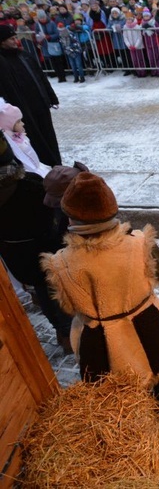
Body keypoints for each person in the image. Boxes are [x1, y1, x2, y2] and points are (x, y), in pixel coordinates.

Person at [40, 172, 159, 419]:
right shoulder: (138, 242)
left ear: (70, 217)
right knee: (157, 365)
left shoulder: (61, 262)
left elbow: (67, 305)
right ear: (111, 210)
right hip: (145, 322)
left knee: (110, 381)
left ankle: (128, 418)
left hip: (100, 335)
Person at [0, 123, 72, 354]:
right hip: (47, 252)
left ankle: (63, 332)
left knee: (42, 288)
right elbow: (52, 222)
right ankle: (71, 331)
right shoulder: (29, 188)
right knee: (54, 289)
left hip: (17, 259)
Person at [0, 25, 62, 167]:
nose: (16, 41)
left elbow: (40, 77)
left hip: (41, 104)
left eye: (15, 37)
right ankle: (42, 166)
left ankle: (56, 164)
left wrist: (51, 97)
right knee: (34, 140)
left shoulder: (24, 55)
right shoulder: (3, 62)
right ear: (2, 41)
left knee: (49, 136)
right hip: (23, 111)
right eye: (11, 39)